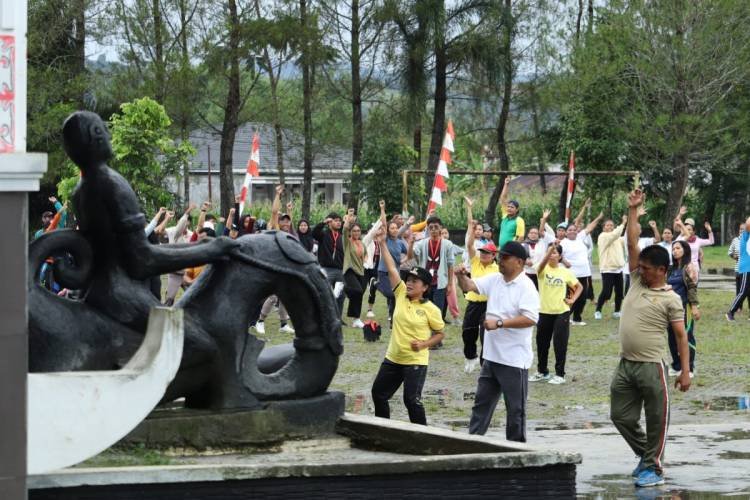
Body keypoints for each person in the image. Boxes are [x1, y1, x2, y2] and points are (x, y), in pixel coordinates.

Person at [610, 189, 690, 488]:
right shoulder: (636, 281)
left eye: (646, 268)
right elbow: (631, 241)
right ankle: (648, 458)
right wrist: (633, 210)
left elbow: (681, 337)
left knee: (656, 422)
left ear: (662, 270)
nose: (640, 270)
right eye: (639, 266)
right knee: (620, 416)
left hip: (653, 366)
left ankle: (652, 470)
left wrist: (684, 371)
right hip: (626, 364)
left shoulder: (671, 299)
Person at [455, 241, 540, 442]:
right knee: (481, 404)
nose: (500, 261)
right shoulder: (495, 279)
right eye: (500, 256)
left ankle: (517, 451)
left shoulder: (526, 287)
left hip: (513, 360)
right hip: (491, 357)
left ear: (519, 262)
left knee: (515, 409)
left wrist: (500, 323)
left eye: (505, 257)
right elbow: (470, 286)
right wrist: (460, 276)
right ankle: (472, 445)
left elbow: (530, 319)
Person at [370, 225, 445, 425]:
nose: (410, 283)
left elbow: (439, 333)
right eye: (409, 279)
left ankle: (423, 436)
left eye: (415, 281)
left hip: (415, 362)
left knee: (411, 400)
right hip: (393, 358)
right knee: (378, 394)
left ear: (426, 287)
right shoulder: (401, 293)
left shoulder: (431, 309)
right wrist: (382, 243)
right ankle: (384, 430)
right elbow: (392, 268)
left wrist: (423, 344)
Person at [529, 243, 582, 385]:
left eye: (554, 252)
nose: (551, 254)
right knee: (542, 343)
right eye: (549, 252)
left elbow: (579, 287)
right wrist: (549, 251)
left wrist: (572, 299)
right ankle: (542, 371)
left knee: (560, 344)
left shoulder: (565, 272)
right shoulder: (541, 269)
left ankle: (560, 374)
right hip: (544, 311)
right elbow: (540, 266)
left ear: (559, 256)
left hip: (561, 312)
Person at [461, 197, 500, 373]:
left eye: (487, 253)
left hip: (489, 305)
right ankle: (471, 357)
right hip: (473, 302)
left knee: (487, 335)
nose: (484, 254)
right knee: (467, 332)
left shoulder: (498, 269)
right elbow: (470, 241)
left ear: (493, 256)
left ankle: (486, 364)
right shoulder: (475, 261)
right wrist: (470, 211)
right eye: (482, 252)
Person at [560, 206, 603, 325]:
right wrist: (565, 263)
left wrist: (598, 218)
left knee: (582, 298)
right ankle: (565, 317)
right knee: (570, 297)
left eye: (574, 229)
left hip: (584, 273)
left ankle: (577, 318)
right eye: (569, 230)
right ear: (566, 232)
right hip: (571, 275)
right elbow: (558, 255)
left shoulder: (580, 237)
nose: (572, 231)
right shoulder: (563, 243)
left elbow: (590, 227)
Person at [407, 216, 456, 316]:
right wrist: (411, 244)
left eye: (436, 227)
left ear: (440, 228)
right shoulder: (422, 243)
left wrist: (450, 283)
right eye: (431, 227)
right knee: (423, 311)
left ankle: (436, 330)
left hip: (440, 282)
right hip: (424, 283)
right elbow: (410, 257)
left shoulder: (448, 244)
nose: (433, 230)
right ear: (428, 229)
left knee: (438, 312)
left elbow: (450, 265)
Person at [342, 205, 381, 329]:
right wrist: (348, 217)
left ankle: (356, 320)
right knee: (357, 291)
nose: (356, 233)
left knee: (359, 293)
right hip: (349, 270)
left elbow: (373, 232)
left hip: (360, 271)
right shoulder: (347, 242)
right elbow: (344, 230)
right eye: (354, 231)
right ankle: (344, 288)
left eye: (358, 231)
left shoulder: (362, 243)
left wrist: (382, 214)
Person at [666, 241, 699, 378]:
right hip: (670, 308)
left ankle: (689, 367)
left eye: (678, 248)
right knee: (672, 337)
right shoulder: (670, 269)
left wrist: (694, 306)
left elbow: (692, 288)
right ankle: (677, 365)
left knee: (686, 336)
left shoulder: (689, 267)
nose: (675, 251)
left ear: (685, 250)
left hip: (685, 306)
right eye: (673, 248)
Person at [313, 212, 346, 314]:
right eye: (336, 221)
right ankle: (324, 316)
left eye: (340, 221)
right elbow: (314, 233)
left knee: (341, 295)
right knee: (325, 294)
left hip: (340, 270)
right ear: (329, 222)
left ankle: (338, 317)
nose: (338, 223)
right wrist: (323, 223)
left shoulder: (341, 236)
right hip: (327, 269)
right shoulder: (323, 234)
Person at [377, 218, 408, 323]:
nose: (394, 230)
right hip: (384, 271)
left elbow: (409, 253)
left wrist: (403, 260)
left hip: (395, 273)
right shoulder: (385, 240)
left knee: (396, 296)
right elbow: (384, 223)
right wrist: (382, 209)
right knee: (391, 294)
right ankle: (376, 285)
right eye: (392, 228)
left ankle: (392, 318)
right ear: (388, 230)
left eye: (396, 228)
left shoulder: (400, 243)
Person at [595, 215, 626, 320]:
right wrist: (623, 223)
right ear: (604, 228)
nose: (610, 227)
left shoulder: (617, 238)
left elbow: (626, 237)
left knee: (619, 292)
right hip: (607, 269)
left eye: (612, 225)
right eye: (608, 225)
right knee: (606, 292)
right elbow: (615, 234)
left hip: (618, 269)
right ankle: (598, 310)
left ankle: (617, 311)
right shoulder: (603, 236)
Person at [673, 207, 714, 273]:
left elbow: (711, 241)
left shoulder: (697, 240)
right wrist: (680, 214)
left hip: (694, 268)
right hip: (683, 267)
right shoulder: (681, 240)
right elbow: (676, 226)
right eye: (685, 228)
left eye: (689, 229)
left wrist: (709, 231)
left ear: (693, 231)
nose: (687, 230)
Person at [523, 209, 554, 289]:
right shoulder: (523, 245)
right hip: (527, 274)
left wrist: (544, 220)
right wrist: (525, 261)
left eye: (535, 233)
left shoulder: (543, 242)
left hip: (541, 273)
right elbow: (518, 258)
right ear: (528, 235)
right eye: (531, 233)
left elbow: (551, 234)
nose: (533, 235)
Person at [727, 217, 750, 321]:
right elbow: (748, 223)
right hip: (746, 268)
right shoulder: (745, 235)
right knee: (743, 291)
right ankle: (730, 312)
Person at [498, 177, 525, 248]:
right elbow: (503, 198)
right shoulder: (505, 216)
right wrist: (506, 184)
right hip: (501, 249)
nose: (509, 208)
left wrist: (512, 249)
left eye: (512, 207)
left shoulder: (519, 220)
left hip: (510, 251)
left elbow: (520, 237)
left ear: (517, 209)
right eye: (508, 206)